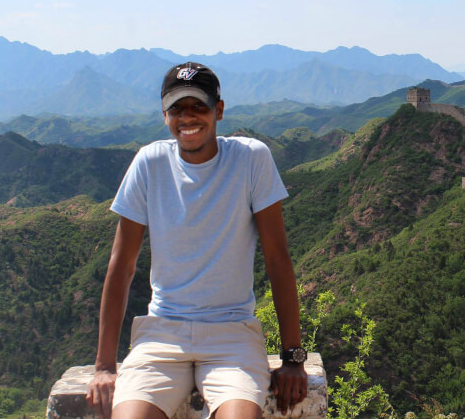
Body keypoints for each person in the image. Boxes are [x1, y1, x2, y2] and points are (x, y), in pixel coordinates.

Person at [86, 62, 307, 419]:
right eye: (177, 109)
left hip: (232, 334)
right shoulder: (149, 163)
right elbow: (121, 265)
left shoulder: (251, 159)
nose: (187, 118)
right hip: (160, 334)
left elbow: (277, 258)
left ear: (219, 110)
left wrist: (294, 356)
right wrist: (104, 365)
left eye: (198, 107)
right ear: (164, 115)